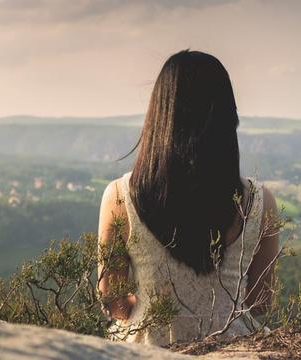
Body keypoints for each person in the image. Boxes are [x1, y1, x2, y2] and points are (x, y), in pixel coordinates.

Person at [97, 49, 280, 346]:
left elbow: (113, 301)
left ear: (159, 115)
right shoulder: (260, 201)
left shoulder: (120, 197)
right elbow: (261, 303)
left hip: (149, 348)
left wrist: (149, 310)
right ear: (227, 117)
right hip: (235, 347)